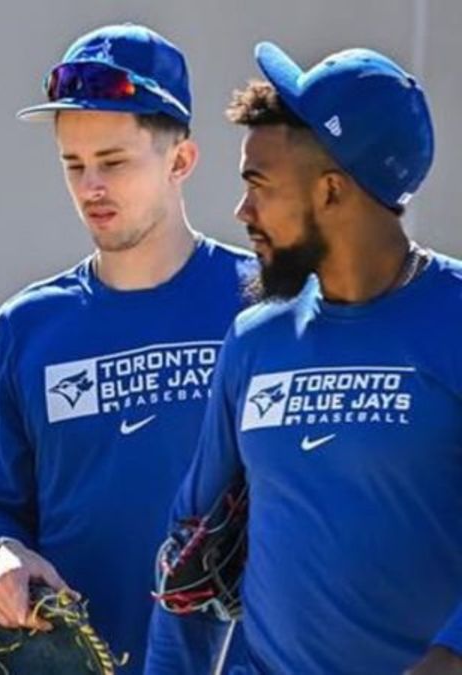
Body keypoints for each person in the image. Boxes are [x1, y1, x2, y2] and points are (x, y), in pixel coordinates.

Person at [148, 43, 462, 674]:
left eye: (259, 186)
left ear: (330, 191)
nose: (242, 212)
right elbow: (191, 554)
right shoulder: (254, 339)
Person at [0, 24, 253, 673]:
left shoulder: (261, 304)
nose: (91, 185)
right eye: (74, 164)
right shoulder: (26, 327)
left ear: (180, 161)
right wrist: (0, 555)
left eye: (114, 161)